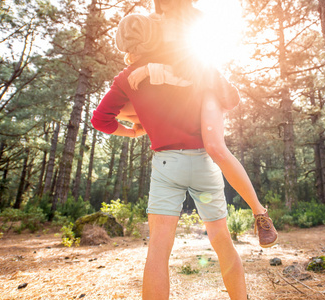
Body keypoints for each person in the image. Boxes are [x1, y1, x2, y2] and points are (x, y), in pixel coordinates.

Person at [91, 4, 248, 299]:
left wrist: (134, 129)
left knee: (159, 249)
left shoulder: (128, 77)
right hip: (204, 162)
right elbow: (230, 96)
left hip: (167, 164)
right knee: (222, 241)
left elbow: (100, 120)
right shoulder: (188, 65)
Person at [117, 5, 278, 249]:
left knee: (214, 147)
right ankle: (143, 125)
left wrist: (152, 69)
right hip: (174, 90)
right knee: (121, 106)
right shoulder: (151, 22)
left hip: (205, 86)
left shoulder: (191, 17)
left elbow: (192, 67)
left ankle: (260, 214)